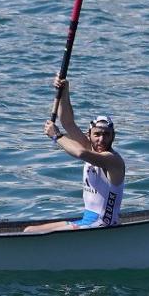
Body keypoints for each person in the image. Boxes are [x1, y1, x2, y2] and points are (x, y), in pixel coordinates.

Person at [23, 75, 126, 233]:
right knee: (29, 230)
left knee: (32, 233)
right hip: (87, 220)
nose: (101, 139)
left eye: (106, 134)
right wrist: (64, 91)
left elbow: (80, 153)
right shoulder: (89, 146)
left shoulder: (113, 160)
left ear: (113, 136)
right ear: (89, 135)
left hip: (103, 225)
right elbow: (67, 122)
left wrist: (57, 136)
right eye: (97, 134)